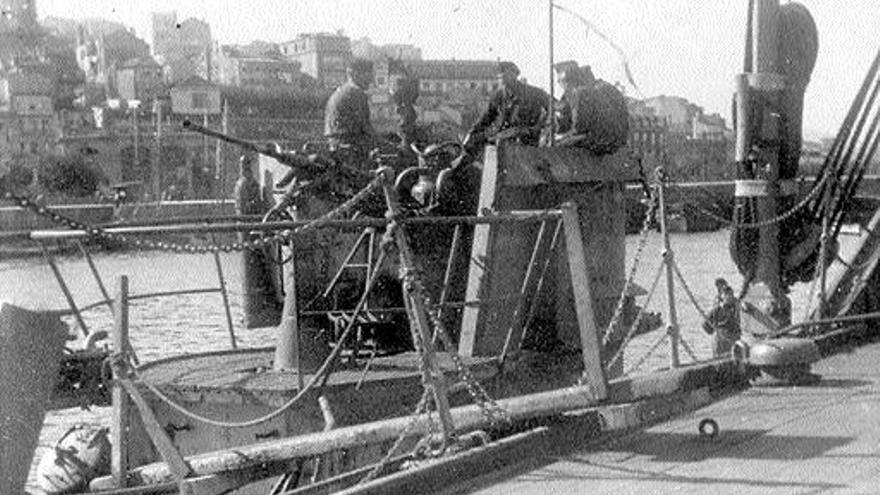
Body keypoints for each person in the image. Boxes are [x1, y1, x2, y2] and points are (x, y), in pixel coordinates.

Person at [466, 61, 550, 152]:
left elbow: (553, 108)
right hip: (505, 141)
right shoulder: (499, 96)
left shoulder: (533, 93)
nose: (502, 79)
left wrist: (537, 128)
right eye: (501, 76)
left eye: (506, 75)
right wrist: (472, 133)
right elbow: (487, 118)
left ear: (515, 75)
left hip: (528, 143)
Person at [324, 58, 378, 167]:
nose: (371, 80)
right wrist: (388, 143)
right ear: (355, 74)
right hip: (350, 147)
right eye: (368, 75)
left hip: (335, 144)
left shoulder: (340, 91)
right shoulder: (356, 93)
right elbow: (366, 128)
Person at [702, 278, 742, 357]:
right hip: (721, 339)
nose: (729, 297)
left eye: (730, 295)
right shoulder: (717, 309)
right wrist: (715, 332)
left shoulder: (736, 305)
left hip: (733, 338)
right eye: (726, 295)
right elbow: (705, 324)